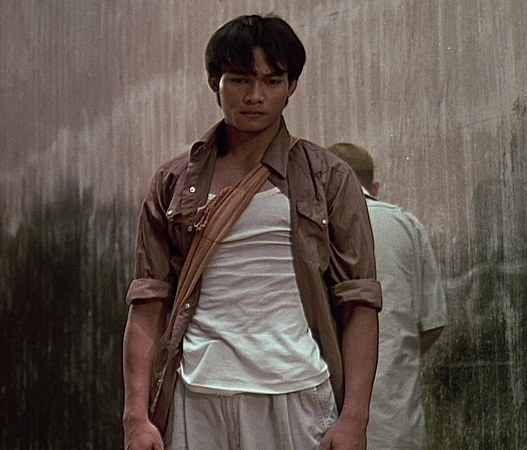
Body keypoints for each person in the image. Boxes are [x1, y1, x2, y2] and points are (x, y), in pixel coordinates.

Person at [121, 14, 381, 450]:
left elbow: (360, 301)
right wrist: (135, 416)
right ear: (214, 82)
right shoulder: (174, 182)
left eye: (272, 81)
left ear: (291, 85)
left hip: (296, 389)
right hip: (197, 392)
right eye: (240, 80)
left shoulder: (327, 177)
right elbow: (148, 302)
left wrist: (355, 417)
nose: (255, 96)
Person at [328, 143, 447, 450]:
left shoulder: (314, 226)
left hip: (328, 418)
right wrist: (392, 357)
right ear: (375, 188)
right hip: (395, 417)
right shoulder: (406, 225)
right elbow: (432, 323)